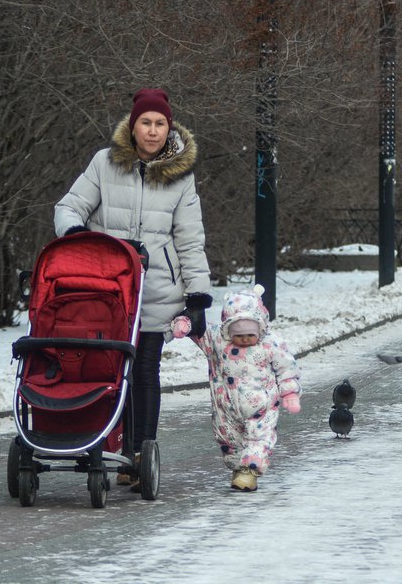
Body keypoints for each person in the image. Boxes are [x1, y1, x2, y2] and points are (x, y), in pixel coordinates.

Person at [54, 88, 212, 490]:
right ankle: (109, 446)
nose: (153, 131)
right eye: (146, 122)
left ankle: (140, 455)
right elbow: (68, 207)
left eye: (160, 123)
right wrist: (79, 239)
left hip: (157, 288)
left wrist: (196, 298)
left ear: (169, 127)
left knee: (143, 371)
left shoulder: (180, 176)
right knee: (109, 371)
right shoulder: (105, 164)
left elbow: (190, 239)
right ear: (134, 124)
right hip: (106, 287)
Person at [172, 284, 302, 492]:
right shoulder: (219, 341)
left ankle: (249, 471)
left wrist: (290, 393)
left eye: (250, 334)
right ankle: (238, 466)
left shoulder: (270, 344)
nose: (244, 340)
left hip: (262, 406)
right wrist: (185, 324)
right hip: (226, 407)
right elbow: (200, 332)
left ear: (260, 328)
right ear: (228, 329)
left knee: (259, 439)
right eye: (238, 335)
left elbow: (286, 368)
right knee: (228, 439)